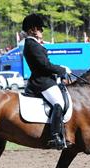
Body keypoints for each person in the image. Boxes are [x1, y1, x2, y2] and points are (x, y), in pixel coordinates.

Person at [22, 13, 71, 149]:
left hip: (44, 79)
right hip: (42, 82)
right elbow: (45, 65)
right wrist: (62, 70)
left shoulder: (34, 44)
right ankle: (55, 136)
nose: (42, 31)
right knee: (59, 103)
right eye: (40, 29)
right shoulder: (31, 44)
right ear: (32, 30)